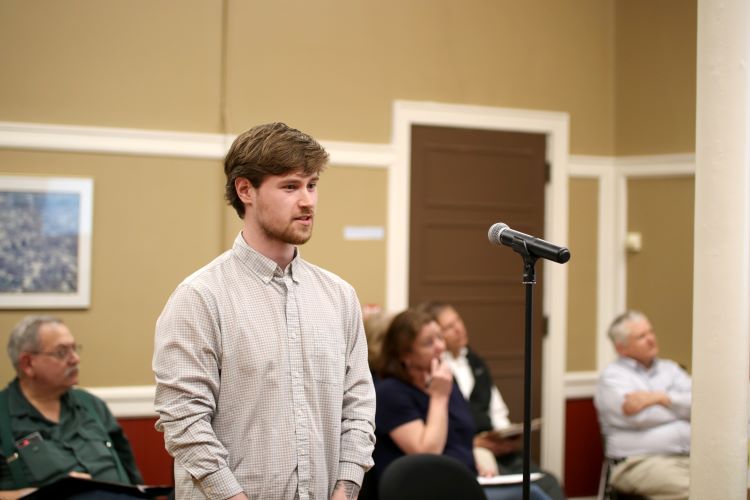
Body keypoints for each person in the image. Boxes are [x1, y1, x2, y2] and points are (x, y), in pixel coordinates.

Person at [153, 122, 376, 500]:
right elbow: (184, 420)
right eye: (290, 186)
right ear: (246, 190)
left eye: (312, 184)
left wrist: (346, 488)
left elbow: (358, 406)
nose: (307, 201)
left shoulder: (339, 296)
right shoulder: (200, 297)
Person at [372, 308, 551, 500]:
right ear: (404, 355)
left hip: (465, 480)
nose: (440, 347)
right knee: (532, 495)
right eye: (428, 343)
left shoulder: (447, 382)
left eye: (440, 338)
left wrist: (475, 463)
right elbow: (428, 452)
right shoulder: (390, 392)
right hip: (422, 489)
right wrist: (439, 398)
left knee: (539, 487)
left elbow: (461, 436)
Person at [418, 302, 566, 500]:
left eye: (458, 321)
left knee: (550, 480)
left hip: (498, 447)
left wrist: (505, 436)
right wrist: (474, 442)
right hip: (469, 451)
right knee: (535, 489)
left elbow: (497, 410)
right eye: (449, 328)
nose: (458, 329)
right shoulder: (436, 371)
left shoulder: (476, 362)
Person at [0, 315, 143, 499]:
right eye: (61, 352)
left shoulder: (92, 405)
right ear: (28, 364)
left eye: (74, 350)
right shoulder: (4, 416)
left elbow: (133, 476)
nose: (75, 359)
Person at [594, 310, 691, 499]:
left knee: (726, 483)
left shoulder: (671, 369)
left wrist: (660, 398)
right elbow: (639, 418)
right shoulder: (612, 378)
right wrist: (681, 410)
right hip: (636, 463)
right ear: (621, 348)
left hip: (688, 458)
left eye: (651, 332)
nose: (651, 339)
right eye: (641, 336)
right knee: (700, 492)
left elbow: (700, 405)